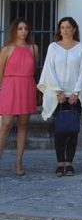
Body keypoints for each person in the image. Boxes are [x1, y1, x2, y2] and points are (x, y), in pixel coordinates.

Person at [37, 17, 82, 176]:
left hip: (75, 96)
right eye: (63, 27)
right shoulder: (53, 47)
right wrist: (57, 91)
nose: (66, 30)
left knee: (72, 130)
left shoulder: (81, 48)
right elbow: (49, 69)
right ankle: (59, 162)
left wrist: (76, 92)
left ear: (74, 29)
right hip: (58, 96)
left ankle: (69, 163)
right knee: (60, 130)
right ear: (59, 30)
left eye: (69, 27)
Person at [0, 18, 40, 176]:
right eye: (20, 28)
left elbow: (34, 67)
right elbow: (0, 72)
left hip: (26, 85)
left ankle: (18, 162)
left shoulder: (33, 48)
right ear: (14, 31)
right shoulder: (6, 49)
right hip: (10, 86)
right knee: (6, 124)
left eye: (26, 29)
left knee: (23, 125)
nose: (23, 31)